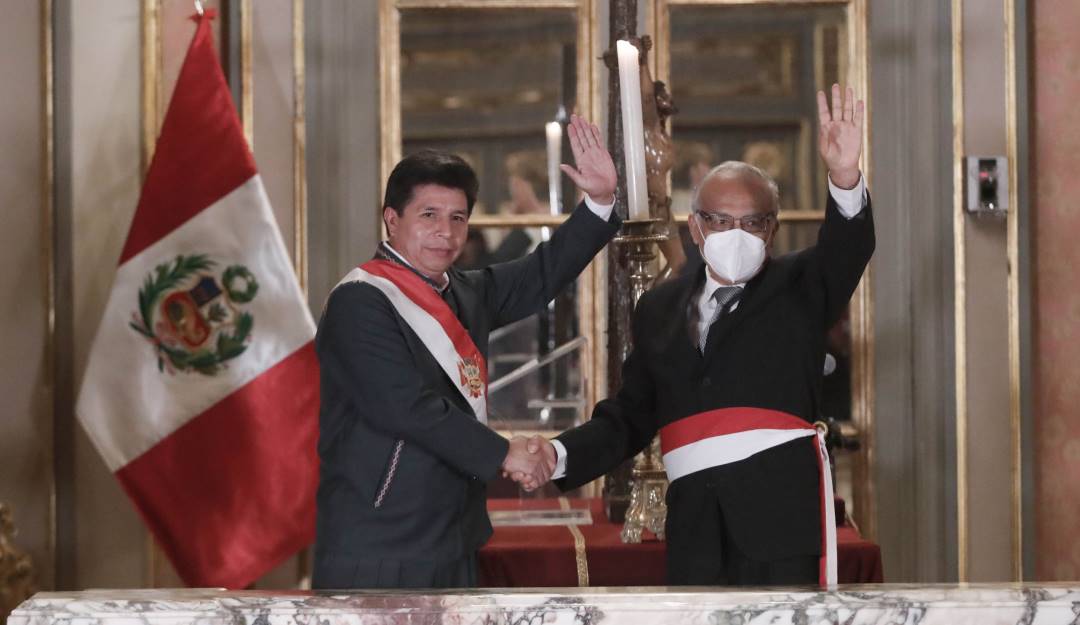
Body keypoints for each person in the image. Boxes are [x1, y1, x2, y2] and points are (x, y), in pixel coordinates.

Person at [524, 84, 875, 586]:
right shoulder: (660, 307)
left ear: (772, 230)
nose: (737, 233)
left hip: (778, 534)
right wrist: (559, 454)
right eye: (720, 220)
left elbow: (848, 247)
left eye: (753, 222)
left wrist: (843, 176)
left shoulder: (802, 288)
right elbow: (630, 416)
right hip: (694, 535)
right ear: (695, 228)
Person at [312, 115, 619, 589]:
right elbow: (407, 407)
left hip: (455, 534)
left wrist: (598, 202)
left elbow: (542, 274)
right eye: (428, 215)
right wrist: (506, 453)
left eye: (458, 218)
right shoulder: (360, 300)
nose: (446, 232)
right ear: (392, 219)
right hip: (380, 540)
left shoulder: (466, 291)